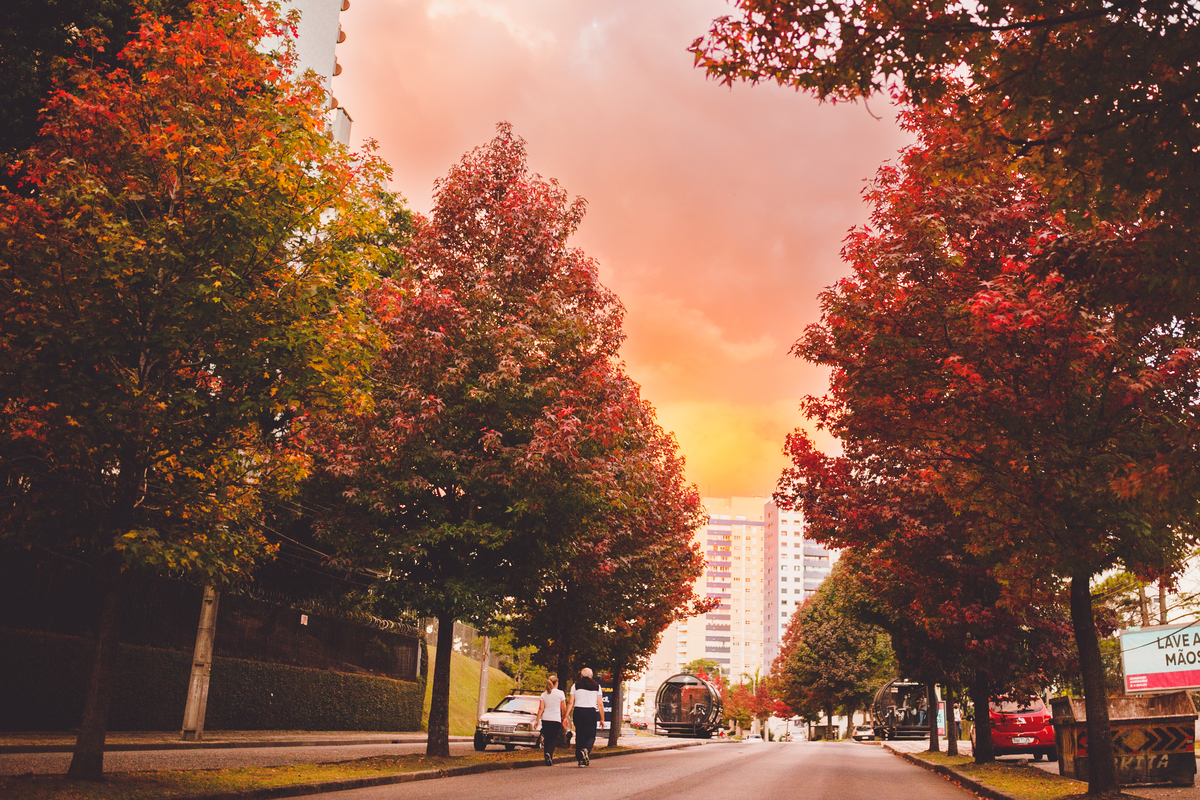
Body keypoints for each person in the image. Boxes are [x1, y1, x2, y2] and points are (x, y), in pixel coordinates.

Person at [565, 667, 604, 766]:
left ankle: (580, 760)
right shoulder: (597, 686)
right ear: (591, 676)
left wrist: (566, 716)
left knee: (580, 735)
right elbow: (600, 703)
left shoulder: (575, 685)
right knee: (591, 735)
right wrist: (602, 718)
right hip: (590, 712)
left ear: (581, 676)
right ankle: (586, 749)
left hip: (578, 711)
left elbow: (570, 702)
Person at [534, 674, 567, 766]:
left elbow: (541, 708)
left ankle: (546, 754)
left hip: (546, 718)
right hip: (555, 719)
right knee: (553, 738)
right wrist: (564, 717)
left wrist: (537, 720)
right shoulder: (560, 693)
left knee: (547, 737)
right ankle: (549, 754)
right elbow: (563, 707)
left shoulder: (544, 694)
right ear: (556, 683)